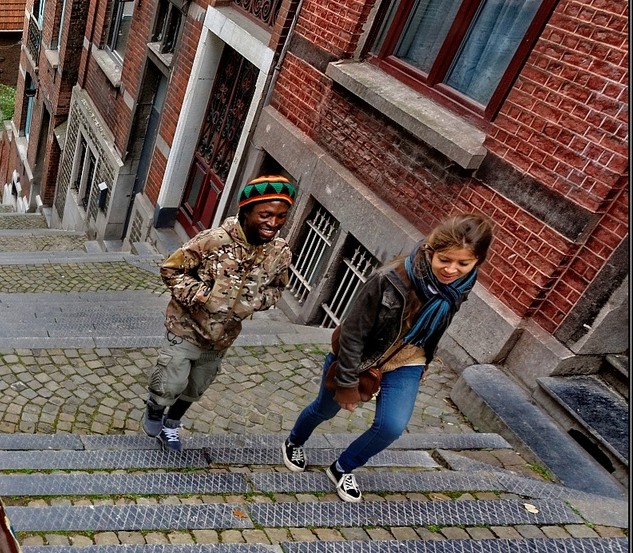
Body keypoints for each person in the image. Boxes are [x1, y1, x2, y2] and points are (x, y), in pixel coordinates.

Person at [282, 215, 492, 502]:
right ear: (432, 249)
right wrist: (346, 383)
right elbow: (353, 333)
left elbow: (437, 324)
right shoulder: (388, 279)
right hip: (361, 357)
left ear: (477, 262)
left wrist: (424, 361)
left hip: (408, 359)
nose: (452, 269)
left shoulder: (462, 283)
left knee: (392, 425)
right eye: (445, 259)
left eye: (463, 264)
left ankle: (343, 467)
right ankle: (294, 441)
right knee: (325, 409)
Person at [143, 174, 296, 450]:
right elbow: (171, 269)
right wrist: (202, 295)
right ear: (247, 211)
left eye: (281, 216)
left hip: (223, 337)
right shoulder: (212, 241)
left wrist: (257, 301)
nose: (273, 223)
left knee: (195, 387)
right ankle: (156, 407)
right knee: (171, 382)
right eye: (266, 214)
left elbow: (278, 287)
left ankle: (172, 425)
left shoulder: (279, 252)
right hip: (185, 328)